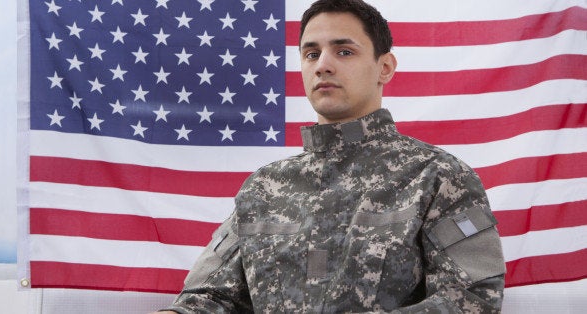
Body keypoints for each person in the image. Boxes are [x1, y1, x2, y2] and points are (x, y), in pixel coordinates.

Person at [156, 0, 506, 312]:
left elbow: (473, 298)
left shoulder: (437, 176)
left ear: (384, 67)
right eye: (311, 54)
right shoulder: (264, 188)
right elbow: (207, 299)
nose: (323, 65)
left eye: (344, 51)